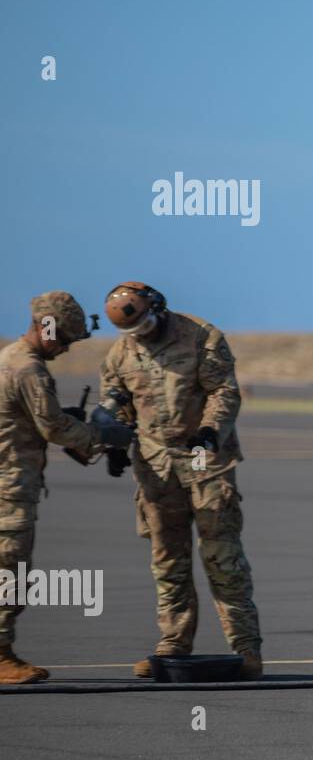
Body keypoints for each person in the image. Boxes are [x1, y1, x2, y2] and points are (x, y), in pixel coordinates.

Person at [99, 282, 263, 680]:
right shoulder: (121, 352)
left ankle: (246, 648)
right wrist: (116, 443)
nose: (141, 336)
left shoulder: (200, 336)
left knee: (222, 557)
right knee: (167, 558)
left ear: (159, 309)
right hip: (156, 465)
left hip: (207, 460)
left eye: (146, 325)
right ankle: (172, 642)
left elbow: (224, 391)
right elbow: (115, 399)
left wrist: (210, 431)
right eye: (132, 332)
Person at [0, 291, 134, 684]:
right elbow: (53, 427)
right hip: (9, 488)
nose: (64, 349)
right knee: (11, 573)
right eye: (63, 340)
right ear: (45, 328)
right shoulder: (28, 369)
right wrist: (103, 436)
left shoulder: (9, 357)